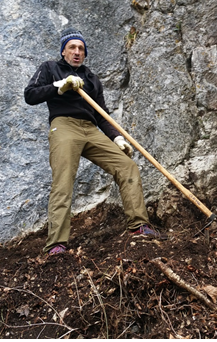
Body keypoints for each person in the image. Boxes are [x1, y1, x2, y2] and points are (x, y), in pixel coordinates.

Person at [24, 28, 164, 255]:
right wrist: (59, 86)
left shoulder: (91, 79)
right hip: (64, 126)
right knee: (63, 180)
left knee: (126, 165)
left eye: (81, 48)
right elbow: (30, 95)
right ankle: (57, 244)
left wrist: (116, 137)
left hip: (91, 129)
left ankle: (139, 226)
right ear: (63, 51)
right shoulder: (50, 68)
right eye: (72, 47)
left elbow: (102, 114)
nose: (77, 52)